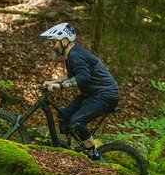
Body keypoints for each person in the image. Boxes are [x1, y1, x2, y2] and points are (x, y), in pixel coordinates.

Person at [40, 22, 119, 161]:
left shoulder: (75, 55)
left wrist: (60, 86)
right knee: (63, 115)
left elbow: (83, 77)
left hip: (106, 95)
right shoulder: (72, 54)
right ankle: (64, 151)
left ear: (64, 41)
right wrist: (53, 82)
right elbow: (73, 76)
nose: (54, 46)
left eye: (55, 42)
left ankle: (94, 155)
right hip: (93, 94)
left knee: (76, 122)